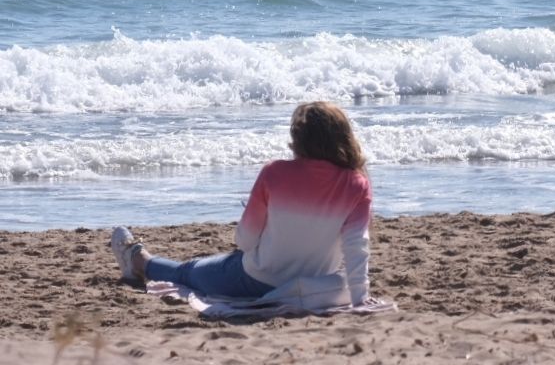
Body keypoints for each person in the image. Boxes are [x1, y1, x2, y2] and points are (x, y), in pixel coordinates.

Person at [111, 101, 373, 303]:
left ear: (299, 139)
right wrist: (360, 298)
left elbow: (245, 241)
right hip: (314, 284)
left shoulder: (275, 173)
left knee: (187, 271)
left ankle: (137, 259)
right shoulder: (357, 185)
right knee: (215, 264)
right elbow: (356, 247)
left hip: (255, 281)